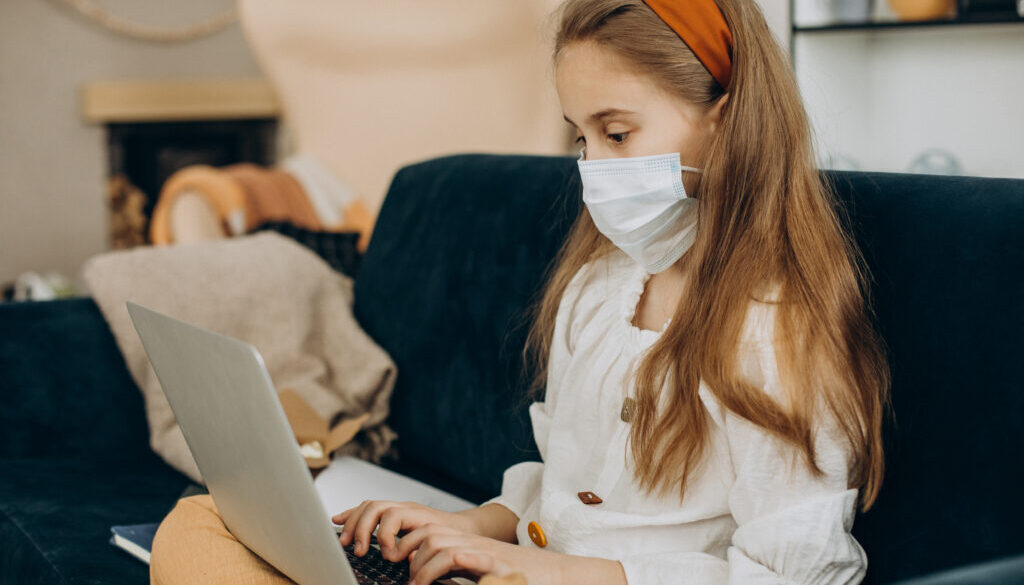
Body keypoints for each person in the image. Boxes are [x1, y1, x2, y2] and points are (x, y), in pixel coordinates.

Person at [151, 0, 890, 584]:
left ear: (724, 123)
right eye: (580, 138)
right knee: (206, 520)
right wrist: (475, 526)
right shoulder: (602, 286)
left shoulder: (775, 329)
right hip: (528, 567)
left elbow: (796, 574)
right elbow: (564, 486)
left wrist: (554, 571)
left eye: (618, 133)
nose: (592, 168)